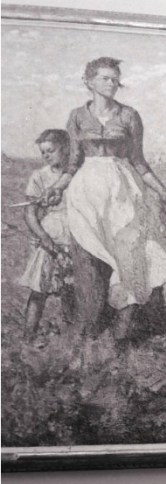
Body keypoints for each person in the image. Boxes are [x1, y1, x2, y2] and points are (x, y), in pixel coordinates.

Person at [40, 57, 166, 342]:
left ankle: (128, 331)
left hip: (123, 191)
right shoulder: (77, 116)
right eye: (105, 78)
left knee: (131, 257)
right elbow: (73, 163)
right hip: (86, 192)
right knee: (90, 259)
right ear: (88, 81)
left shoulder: (129, 115)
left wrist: (165, 192)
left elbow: (139, 161)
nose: (111, 83)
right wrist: (57, 187)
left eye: (115, 79)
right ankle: (91, 329)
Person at [18, 129, 76, 339]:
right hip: (50, 235)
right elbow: (29, 212)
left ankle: (72, 337)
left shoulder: (77, 174)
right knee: (39, 289)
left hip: (76, 234)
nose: (46, 156)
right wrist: (43, 236)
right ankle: (28, 336)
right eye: (43, 152)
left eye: (51, 151)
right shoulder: (40, 176)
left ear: (66, 148)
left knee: (72, 288)